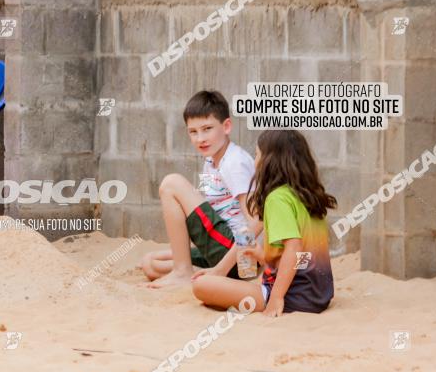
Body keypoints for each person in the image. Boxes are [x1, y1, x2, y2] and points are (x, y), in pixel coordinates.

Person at [191, 130, 337, 317]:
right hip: (319, 295)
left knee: (201, 286)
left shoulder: (277, 200)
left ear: (270, 161)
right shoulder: (304, 197)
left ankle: (271, 295)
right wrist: (265, 257)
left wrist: (276, 297)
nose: (255, 160)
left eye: (257, 154)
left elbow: (294, 248)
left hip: (294, 296)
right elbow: (305, 257)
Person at [141, 90, 258, 288]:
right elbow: (207, 211)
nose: (200, 138)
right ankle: (188, 271)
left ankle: (183, 272)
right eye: (193, 132)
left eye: (207, 129)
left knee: (171, 183)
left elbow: (255, 221)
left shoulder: (234, 163)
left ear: (226, 126)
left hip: (238, 255)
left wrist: (233, 268)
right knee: (150, 263)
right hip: (220, 245)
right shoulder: (210, 161)